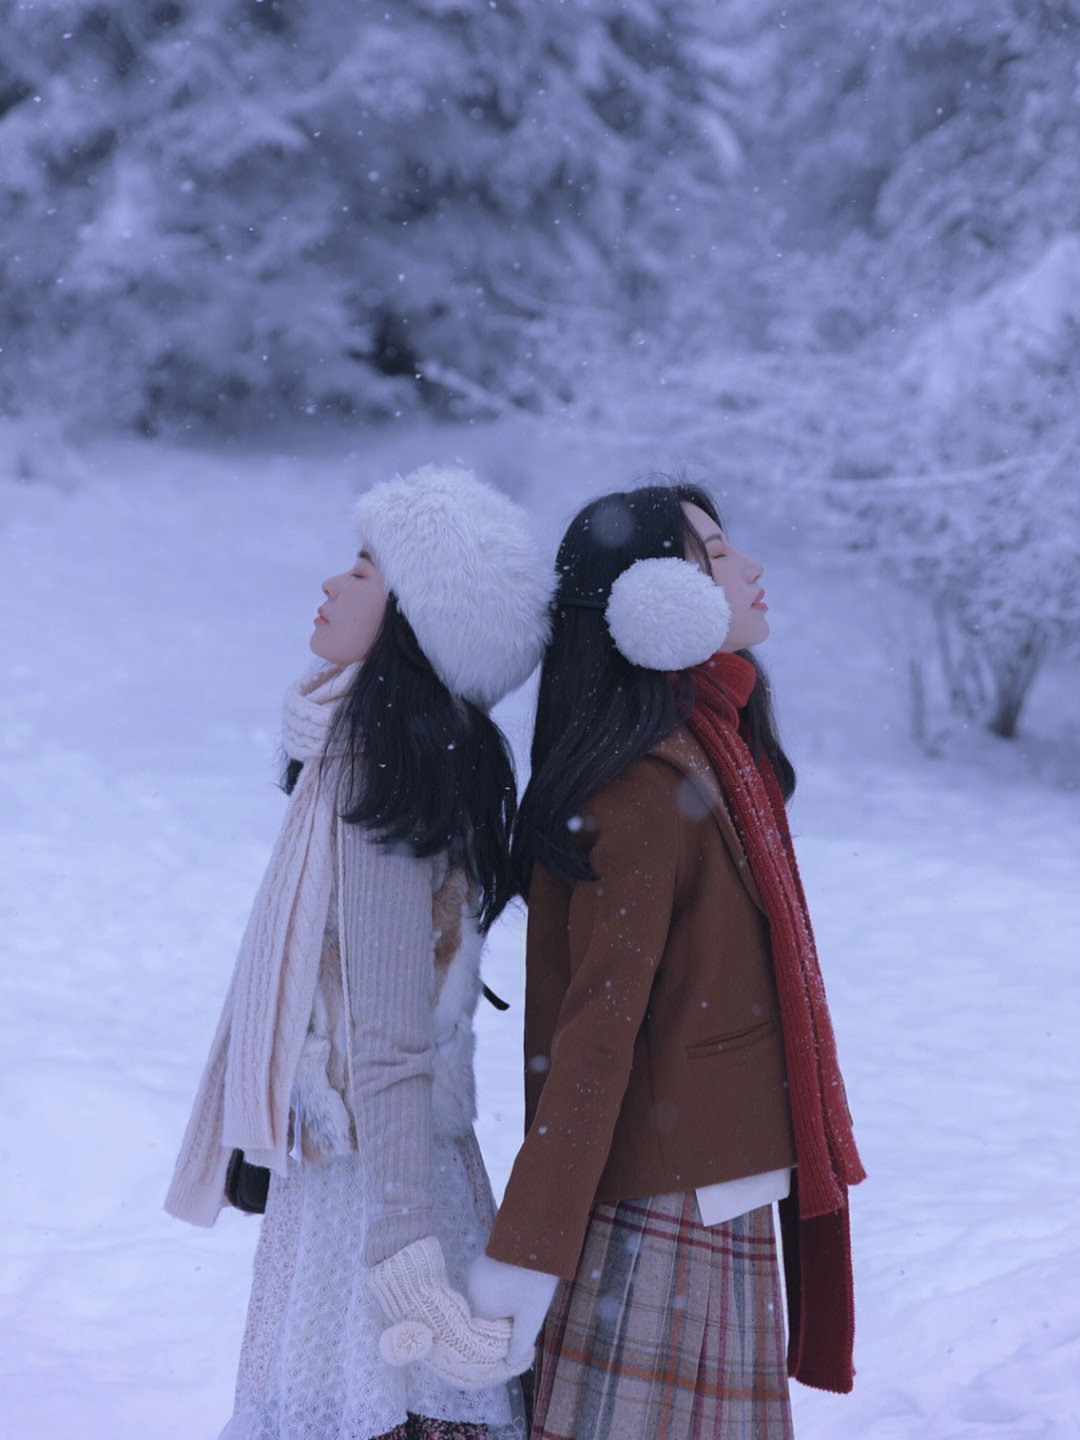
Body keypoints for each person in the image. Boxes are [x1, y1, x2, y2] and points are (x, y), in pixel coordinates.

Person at [466, 482, 866, 1439]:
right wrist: (530, 1251)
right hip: (663, 1211)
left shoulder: (716, 746)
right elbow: (592, 1038)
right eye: (718, 553)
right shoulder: (647, 784)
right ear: (651, 601)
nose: (752, 567)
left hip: (710, 1185)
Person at [165, 465, 552, 1440]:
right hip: (389, 1158)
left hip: (369, 1183)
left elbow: (387, 1027)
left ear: (419, 619)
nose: (333, 585)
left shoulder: (385, 777)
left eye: (365, 569)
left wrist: (400, 1239)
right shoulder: (397, 759)